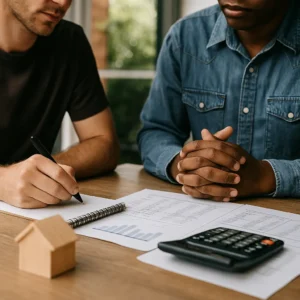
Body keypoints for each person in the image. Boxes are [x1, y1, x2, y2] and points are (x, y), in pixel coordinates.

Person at [138, 0, 300, 201]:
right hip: (204, 211)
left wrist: (265, 176)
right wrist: (187, 165)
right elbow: (156, 131)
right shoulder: (185, 37)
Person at [0, 0, 119, 208]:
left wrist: (44, 171)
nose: (63, 2)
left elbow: (104, 143)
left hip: (37, 215)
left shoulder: (70, 42)